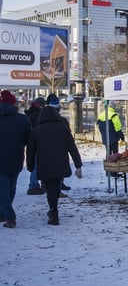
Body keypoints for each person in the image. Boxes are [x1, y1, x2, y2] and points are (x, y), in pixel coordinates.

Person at [26, 104, 83, 226]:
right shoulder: (63, 128)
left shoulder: (36, 130)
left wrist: (30, 166)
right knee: (56, 186)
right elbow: (72, 147)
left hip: (45, 164)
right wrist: (78, 165)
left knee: (50, 187)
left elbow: (30, 150)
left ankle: (53, 211)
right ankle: (53, 210)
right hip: (60, 162)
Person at [0, 90, 31, 229]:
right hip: (16, 159)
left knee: (2, 191)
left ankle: (9, 217)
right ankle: (5, 213)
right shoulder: (22, 119)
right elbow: (28, 140)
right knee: (11, 188)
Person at [46, 94, 72, 195]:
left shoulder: (43, 120)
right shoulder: (63, 121)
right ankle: (56, 189)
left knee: (53, 170)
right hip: (59, 149)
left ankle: (57, 186)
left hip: (50, 149)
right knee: (56, 169)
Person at [24, 97, 46, 195]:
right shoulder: (39, 114)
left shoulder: (30, 113)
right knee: (37, 164)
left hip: (30, 142)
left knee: (34, 163)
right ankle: (33, 186)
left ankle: (34, 184)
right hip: (37, 142)